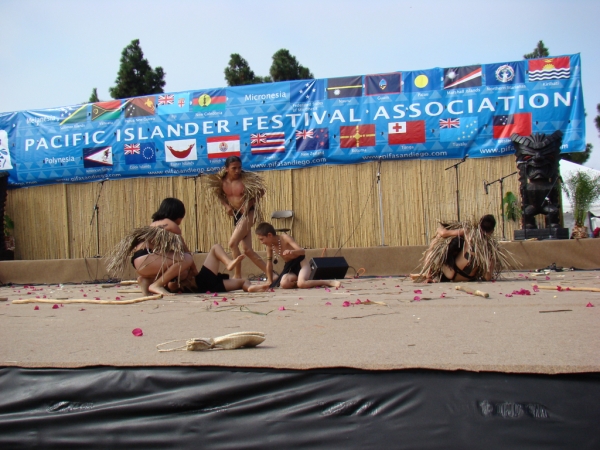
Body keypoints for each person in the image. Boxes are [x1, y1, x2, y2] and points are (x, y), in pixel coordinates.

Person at [106, 198, 196, 296]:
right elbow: (184, 251)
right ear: (178, 214)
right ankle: (157, 285)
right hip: (147, 259)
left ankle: (146, 280)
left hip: (138, 261)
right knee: (187, 258)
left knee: (182, 272)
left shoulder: (154, 224)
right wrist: (195, 270)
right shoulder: (172, 226)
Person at [207, 156, 268, 279]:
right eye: (234, 168)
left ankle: (237, 275)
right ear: (226, 169)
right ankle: (271, 273)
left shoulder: (245, 179)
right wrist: (226, 206)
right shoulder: (221, 181)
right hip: (237, 214)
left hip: (249, 213)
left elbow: (261, 191)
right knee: (247, 250)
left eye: (239, 168)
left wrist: (249, 204)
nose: (237, 171)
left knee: (232, 244)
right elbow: (218, 194)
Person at [411, 215, 512, 283]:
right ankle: (428, 274)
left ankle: (428, 273)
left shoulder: (468, 232)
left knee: (437, 241)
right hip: (468, 278)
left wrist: (439, 229)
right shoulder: (490, 249)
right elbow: (487, 277)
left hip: (451, 273)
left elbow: (444, 233)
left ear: (479, 224)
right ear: (492, 231)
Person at [246, 222, 342, 292]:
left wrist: (292, 251)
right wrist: (270, 281)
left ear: (269, 235)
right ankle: (298, 282)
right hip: (290, 267)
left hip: (302, 264)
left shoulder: (285, 238)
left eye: (262, 239)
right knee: (284, 284)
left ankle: (327, 282)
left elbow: (302, 251)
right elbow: (269, 264)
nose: (261, 242)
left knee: (302, 283)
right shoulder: (269, 246)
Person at [170, 244, 250, 294]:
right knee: (215, 248)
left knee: (244, 281)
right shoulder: (173, 277)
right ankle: (228, 263)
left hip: (211, 287)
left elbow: (195, 272)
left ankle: (250, 288)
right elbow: (172, 286)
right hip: (202, 282)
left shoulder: (178, 262)